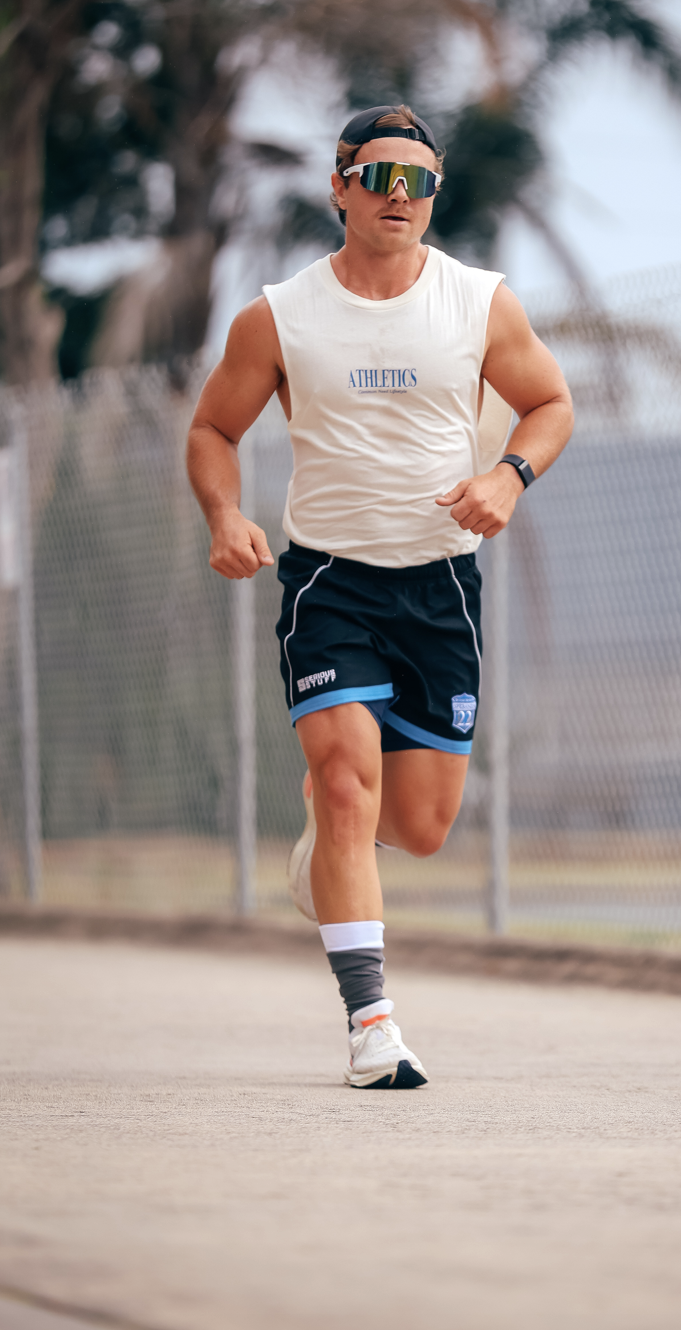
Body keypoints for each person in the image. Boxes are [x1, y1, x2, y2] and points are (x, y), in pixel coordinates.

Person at [186, 104, 573, 1088]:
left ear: (436, 193)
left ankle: (329, 835)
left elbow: (550, 403)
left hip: (440, 586)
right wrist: (226, 517)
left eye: (420, 180)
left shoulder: (481, 302)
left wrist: (507, 477)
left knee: (424, 825)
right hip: (329, 581)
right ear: (340, 186)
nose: (400, 197)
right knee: (350, 776)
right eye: (379, 177)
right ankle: (373, 1026)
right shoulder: (279, 315)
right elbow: (212, 430)